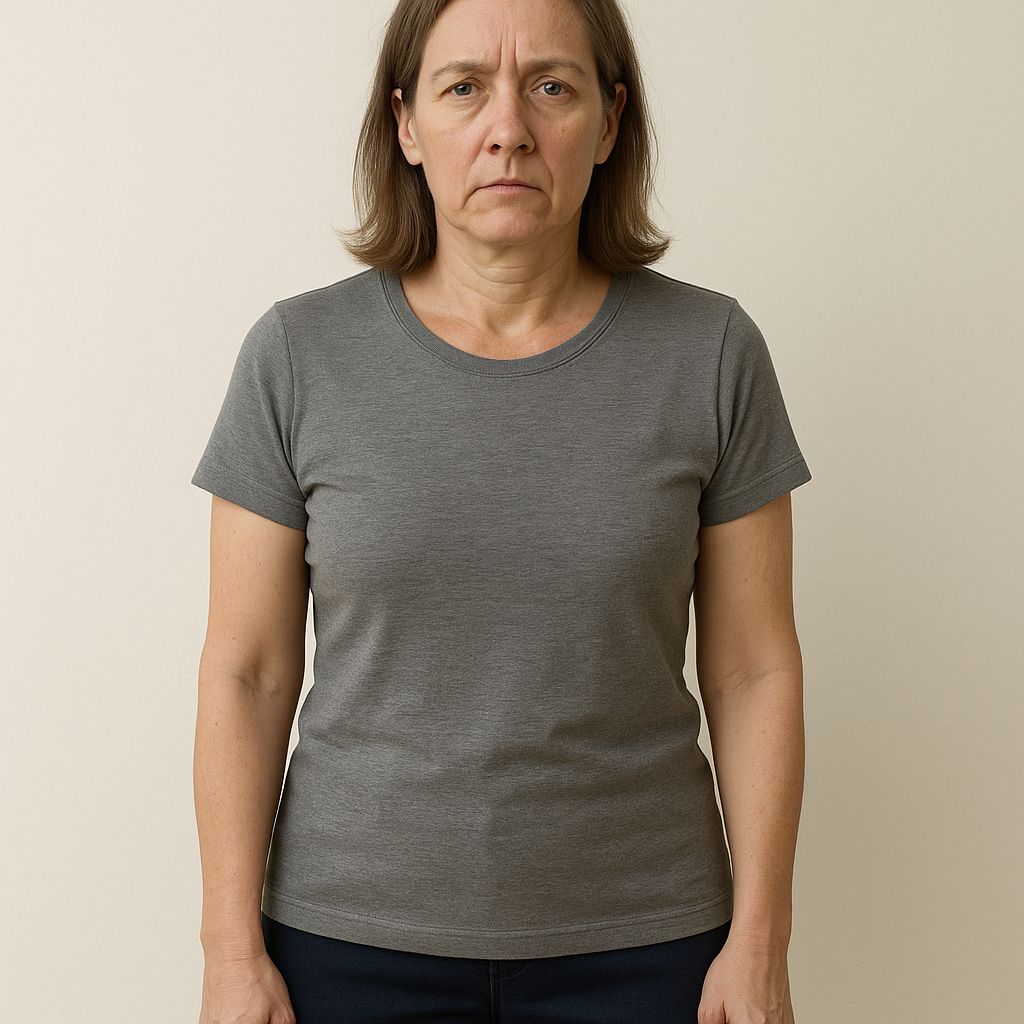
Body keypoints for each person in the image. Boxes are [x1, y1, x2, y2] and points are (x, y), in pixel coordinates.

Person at [191, 0, 810, 1021]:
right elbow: (246, 672)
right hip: (346, 948)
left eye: (552, 86)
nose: (508, 128)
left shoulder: (709, 354)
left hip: (647, 949)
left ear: (609, 123)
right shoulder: (298, 357)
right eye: (464, 86)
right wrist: (227, 950)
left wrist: (762, 941)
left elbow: (753, 671)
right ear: (406, 123)